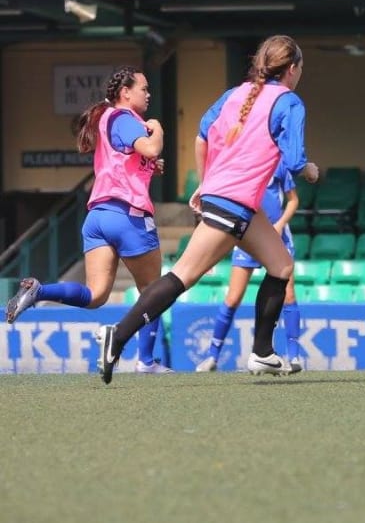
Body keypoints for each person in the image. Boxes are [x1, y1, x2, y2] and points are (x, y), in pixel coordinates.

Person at [94, 34, 319, 384]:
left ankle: (262, 352)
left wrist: (204, 182)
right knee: (182, 276)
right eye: (300, 68)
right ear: (292, 69)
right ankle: (118, 335)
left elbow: (202, 135)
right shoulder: (290, 102)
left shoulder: (236, 93)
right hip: (234, 204)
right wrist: (310, 169)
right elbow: (293, 161)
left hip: (233, 200)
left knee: (281, 265)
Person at [5, 65, 174, 374]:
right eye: (143, 89)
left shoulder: (109, 118)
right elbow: (150, 145)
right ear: (125, 93)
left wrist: (149, 165)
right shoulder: (126, 119)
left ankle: (38, 291)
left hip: (98, 216)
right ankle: (146, 362)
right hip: (128, 214)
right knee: (155, 290)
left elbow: (128, 159)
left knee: (95, 296)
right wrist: (158, 127)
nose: (148, 94)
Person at [195, 161, 303, 374]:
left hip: (278, 235)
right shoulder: (244, 163)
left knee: (289, 295)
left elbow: (293, 201)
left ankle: (295, 356)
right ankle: (212, 357)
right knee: (233, 297)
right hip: (248, 234)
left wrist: (280, 224)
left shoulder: (278, 163)